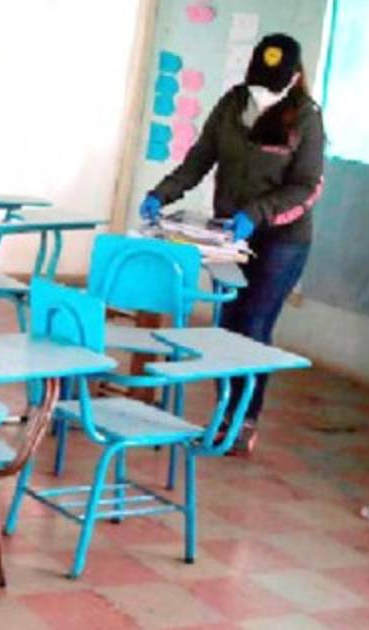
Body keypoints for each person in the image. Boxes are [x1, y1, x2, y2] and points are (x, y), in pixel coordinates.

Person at [140, 33, 324, 455]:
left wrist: (258, 212)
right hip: (229, 236)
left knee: (253, 326)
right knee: (226, 322)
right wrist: (162, 194)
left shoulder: (306, 117)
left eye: (272, 84)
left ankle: (244, 422)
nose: (262, 92)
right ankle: (226, 415)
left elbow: (306, 186)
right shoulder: (233, 103)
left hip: (281, 239)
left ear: (294, 78)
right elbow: (200, 158)